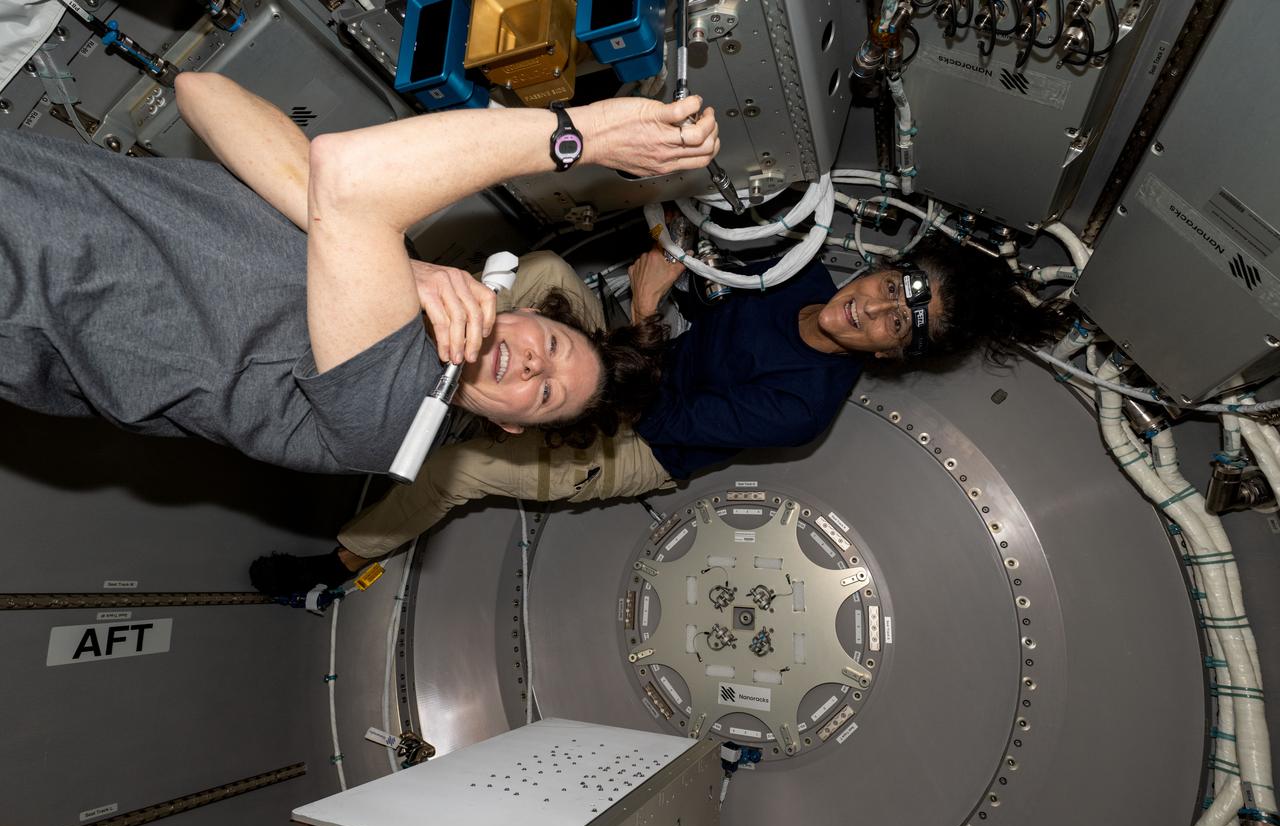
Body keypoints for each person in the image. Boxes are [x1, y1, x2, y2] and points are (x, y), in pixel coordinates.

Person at [251, 231, 1061, 594]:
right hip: (644, 359)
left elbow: (658, 415)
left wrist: (643, 314)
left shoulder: (801, 407)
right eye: (888, 287)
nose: (872, 309)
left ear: (892, 354)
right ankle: (421, 352)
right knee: (540, 272)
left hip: (642, 438)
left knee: (460, 471)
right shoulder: (807, 276)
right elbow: (713, 292)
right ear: (880, 268)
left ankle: (338, 561)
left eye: (895, 323)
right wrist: (671, 284)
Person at [0, 73, 718, 473]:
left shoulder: (394, 419)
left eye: (544, 395)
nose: (532, 366)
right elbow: (201, 93)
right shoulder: (389, 277)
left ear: (503, 424)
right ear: (524, 315)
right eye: (553, 350)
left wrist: (582, 133)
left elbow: (346, 175)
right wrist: (399, 264)